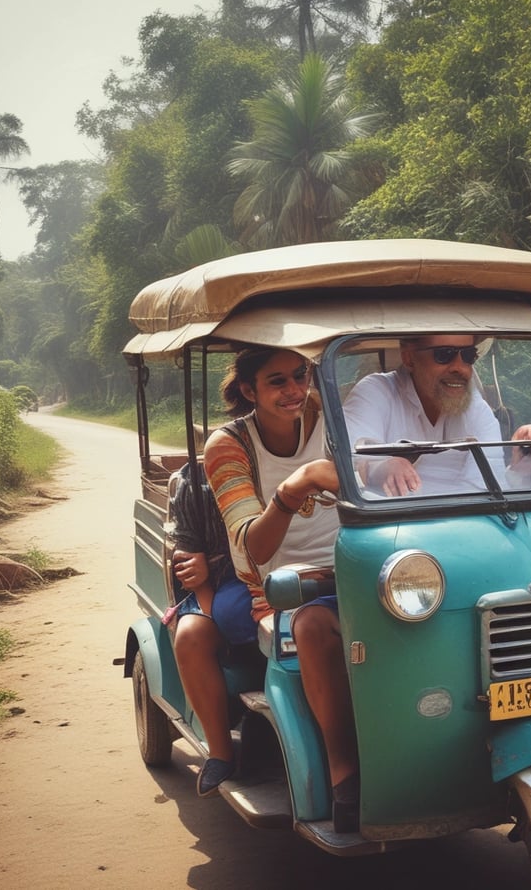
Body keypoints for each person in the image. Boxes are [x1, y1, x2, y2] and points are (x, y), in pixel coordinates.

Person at [202, 346, 360, 832]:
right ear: (249, 391)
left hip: (354, 567)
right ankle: (343, 774)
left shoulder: (335, 416)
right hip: (277, 583)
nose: (294, 390)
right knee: (312, 630)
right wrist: (291, 493)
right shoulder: (228, 445)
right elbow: (254, 547)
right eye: (277, 382)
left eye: (300, 376)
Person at [343, 334, 531, 495]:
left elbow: (485, 493)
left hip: (461, 533)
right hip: (397, 539)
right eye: (444, 355)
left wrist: (521, 469)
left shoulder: (476, 409)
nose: (460, 368)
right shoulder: (375, 392)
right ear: (409, 358)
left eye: (467, 356)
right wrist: (382, 467)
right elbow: (351, 470)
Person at [170, 461, 261, 799]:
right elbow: (189, 558)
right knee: (191, 635)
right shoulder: (198, 485)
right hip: (221, 581)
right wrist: (210, 602)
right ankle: (221, 752)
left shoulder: (304, 463)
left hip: (288, 573)